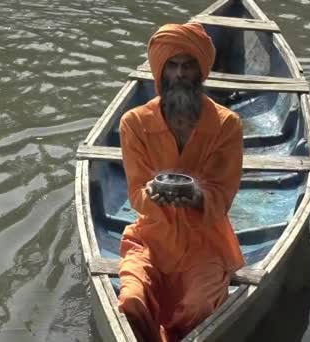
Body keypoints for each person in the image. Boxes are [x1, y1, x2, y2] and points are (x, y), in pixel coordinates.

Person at [117, 22, 245, 342]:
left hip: (205, 244)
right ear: (160, 72)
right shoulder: (134, 123)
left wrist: (196, 196)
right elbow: (135, 194)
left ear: (201, 72)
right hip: (150, 239)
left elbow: (223, 194)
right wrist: (152, 194)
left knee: (199, 308)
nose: (179, 74)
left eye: (188, 66)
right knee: (131, 301)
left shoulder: (227, 125)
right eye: (172, 66)